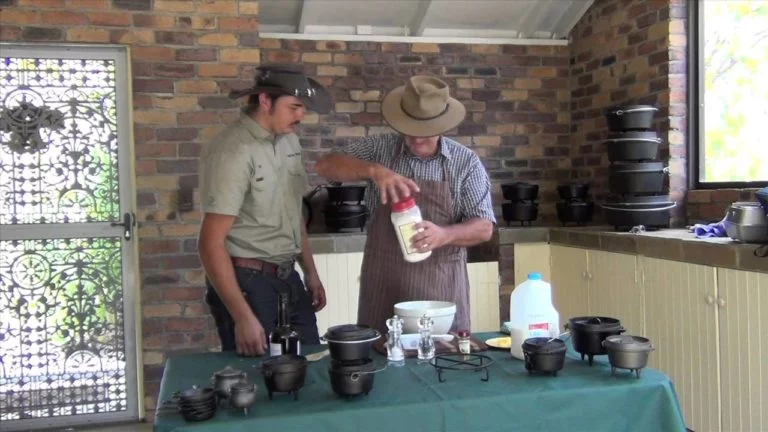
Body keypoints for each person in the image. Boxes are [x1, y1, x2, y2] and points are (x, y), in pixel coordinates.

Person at [314, 75, 496, 335]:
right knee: (381, 359)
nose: (416, 138)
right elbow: (324, 165)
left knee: (442, 362)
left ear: (442, 125)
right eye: (409, 129)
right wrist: (374, 170)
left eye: (424, 132)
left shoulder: (464, 163)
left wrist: (445, 234)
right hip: (385, 285)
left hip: (440, 292)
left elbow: (484, 228)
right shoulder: (380, 150)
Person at [198, 64, 332, 357]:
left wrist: (310, 271)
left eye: (303, 108)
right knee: (258, 379)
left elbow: (293, 209)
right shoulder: (233, 151)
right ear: (265, 101)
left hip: (288, 276)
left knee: (312, 362)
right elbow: (210, 244)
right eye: (294, 107)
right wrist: (243, 316)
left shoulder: (290, 141)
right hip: (248, 282)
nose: (301, 115)